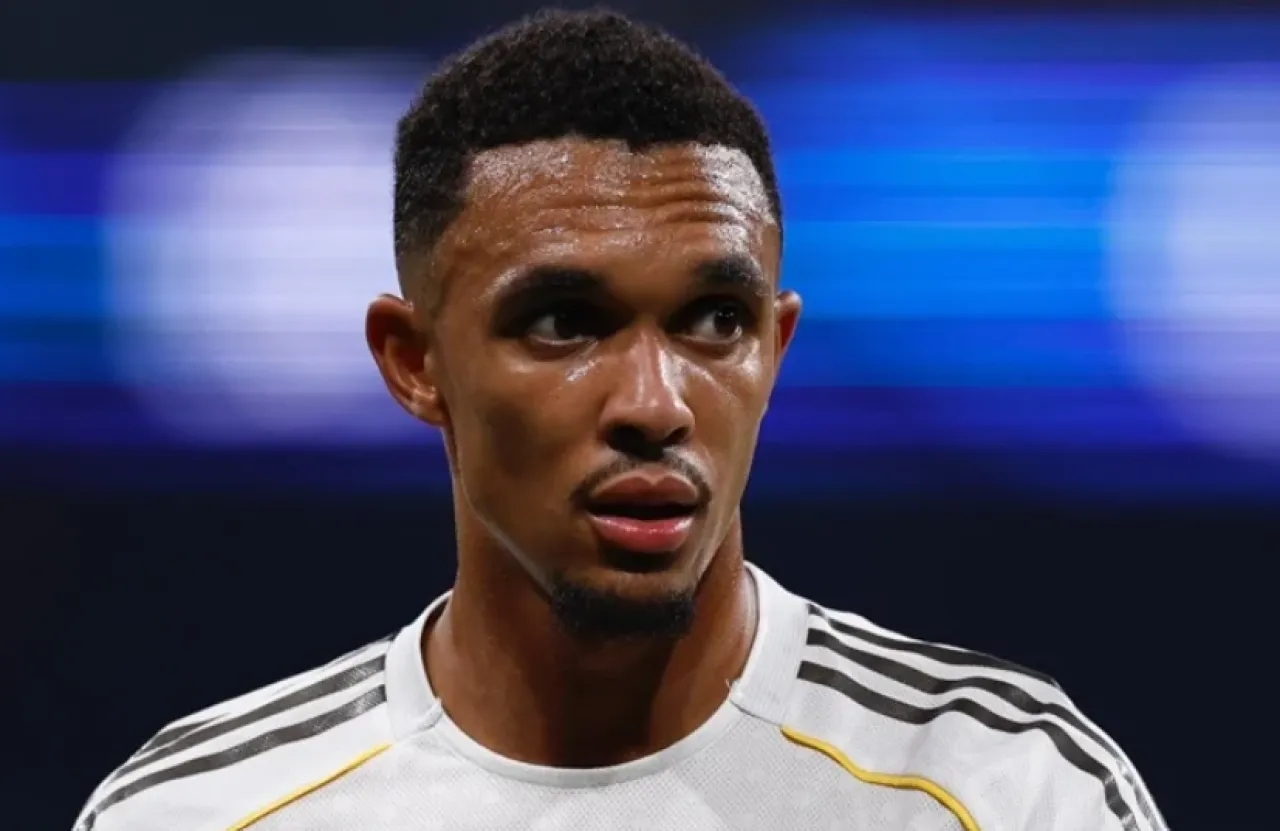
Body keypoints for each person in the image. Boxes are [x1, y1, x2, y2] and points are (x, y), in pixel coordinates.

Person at [73, 9, 1167, 830]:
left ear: (777, 349)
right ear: (414, 362)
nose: (654, 404)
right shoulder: (196, 815)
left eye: (715, 321)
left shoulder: (1011, 792)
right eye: (563, 323)